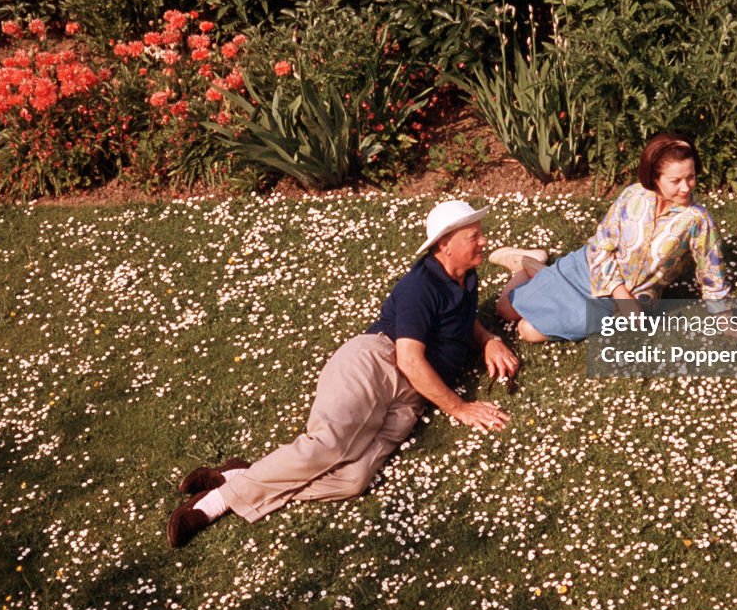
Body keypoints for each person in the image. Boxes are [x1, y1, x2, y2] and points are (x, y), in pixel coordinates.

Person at [167, 200, 520, 549]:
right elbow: (410, 361)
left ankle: (243, 475)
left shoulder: (465, 277)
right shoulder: (419, 286)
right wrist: (460, 409)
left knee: (353, 480)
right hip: (377, 362)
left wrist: (487, 339)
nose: (484, 242)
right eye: (473, 237)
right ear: (445, 245)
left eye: (480, 234)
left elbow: (458, 319)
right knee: (329, 444)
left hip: (412, 396)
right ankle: (214, 504)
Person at [493, 132, 737, 342]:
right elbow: (601, 245)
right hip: (590, 269)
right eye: (675, 180)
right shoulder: (633, 196)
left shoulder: (698, 221)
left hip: (631, 301)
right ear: (654, 178)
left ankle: (536, 268)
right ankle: (525, 264)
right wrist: (619, 291)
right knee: (505, 309)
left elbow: (712, 276)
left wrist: (728, 324)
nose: (686, 188)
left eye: (691, 177)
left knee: (528, 330)